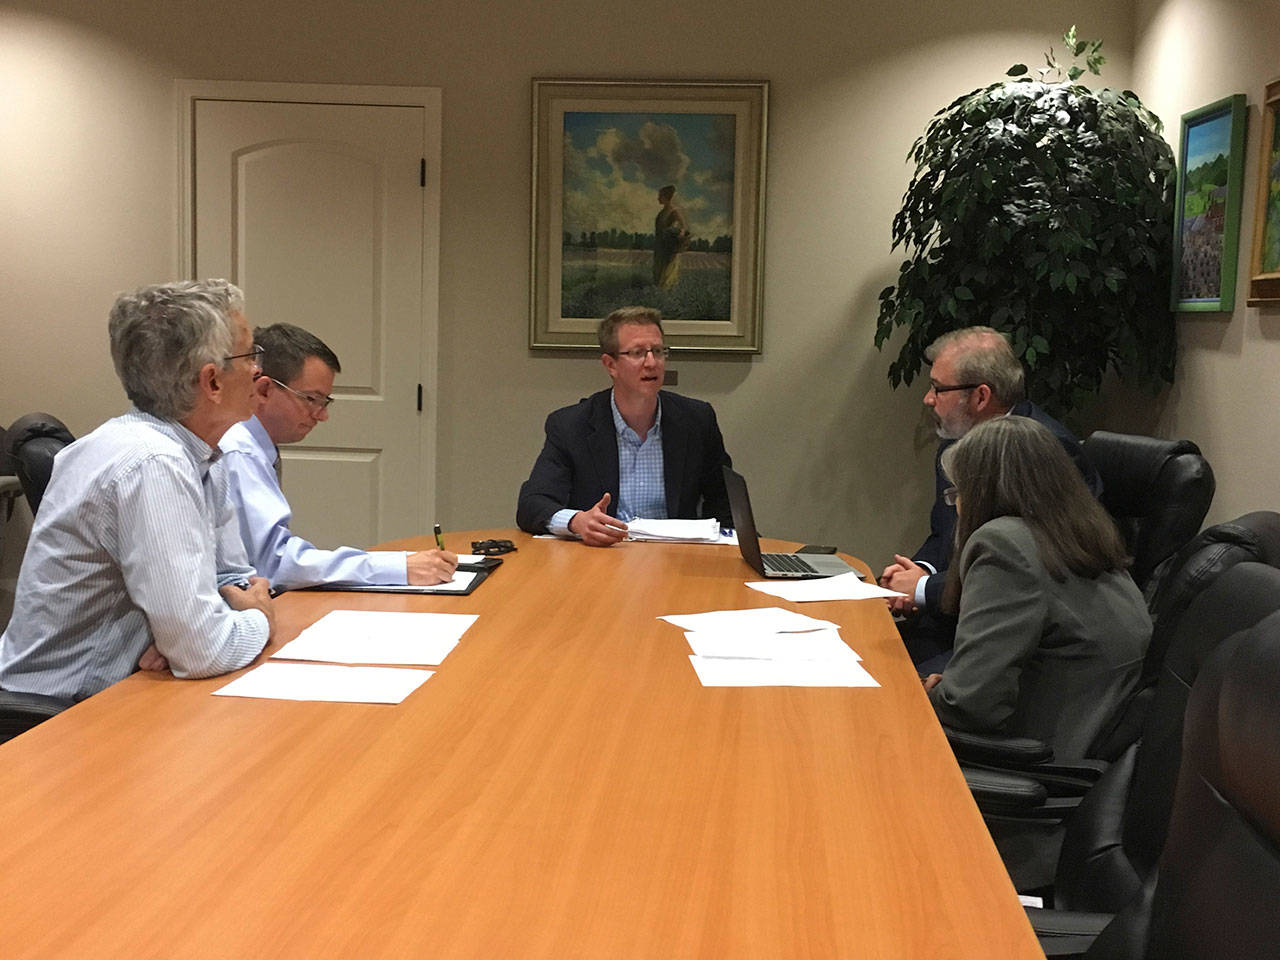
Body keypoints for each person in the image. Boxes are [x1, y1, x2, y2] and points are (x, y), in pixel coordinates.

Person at [0, 281, 274, 701]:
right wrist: (258, 618)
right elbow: (204, 649)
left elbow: (232, 580)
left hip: (119, 691)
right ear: (212, 382)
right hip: (57, 718)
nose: (259, 369)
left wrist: (194, 630)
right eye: (250, 354)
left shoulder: (199, 449)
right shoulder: (152, 463)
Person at [922, 416, 1150, 761]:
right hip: (1090, 751)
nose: (957, 506)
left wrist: (932, 694)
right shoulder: (1081, 534)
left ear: (982, 492)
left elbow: (970, 707)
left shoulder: (1004, 544)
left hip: (1036, 762)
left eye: (958, 493)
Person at [879, 326, 1101, 668]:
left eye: (938, 388)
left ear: (981, 397)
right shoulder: (956, 442)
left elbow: (1025, 573)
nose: (928, 398)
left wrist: (924, 589)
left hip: (1008, 640)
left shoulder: (1044, 450)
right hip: (951, 619)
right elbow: (944, 533)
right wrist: (915, 572)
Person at [219, 323, 457, 591]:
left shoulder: (255, 446)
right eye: (311, 399)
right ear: (264, 390)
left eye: (325, 402)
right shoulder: (240, 452)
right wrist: (397, 568)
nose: (322, 415)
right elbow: (275, 564)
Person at [516, 306, 732, 546]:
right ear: (611, 365)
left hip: (675, 559)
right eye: (638, 353)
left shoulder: (696, 420)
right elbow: (532, 503)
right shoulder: (571, 425)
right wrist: (577, 521)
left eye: (658, 351)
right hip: (600, 560)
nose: (652, 363)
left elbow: (726, 505)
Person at [652, 185, 690, 289]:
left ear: (666, 197)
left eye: (660, 196)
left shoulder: (674, 211)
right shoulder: (662, 212)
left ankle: (665, 292)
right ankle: (659, 291)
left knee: (668, 272)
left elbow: (683, 226)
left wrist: (679, 235)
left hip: (668, 246)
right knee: (658, 269)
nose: (658, 198)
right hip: (660, 245)